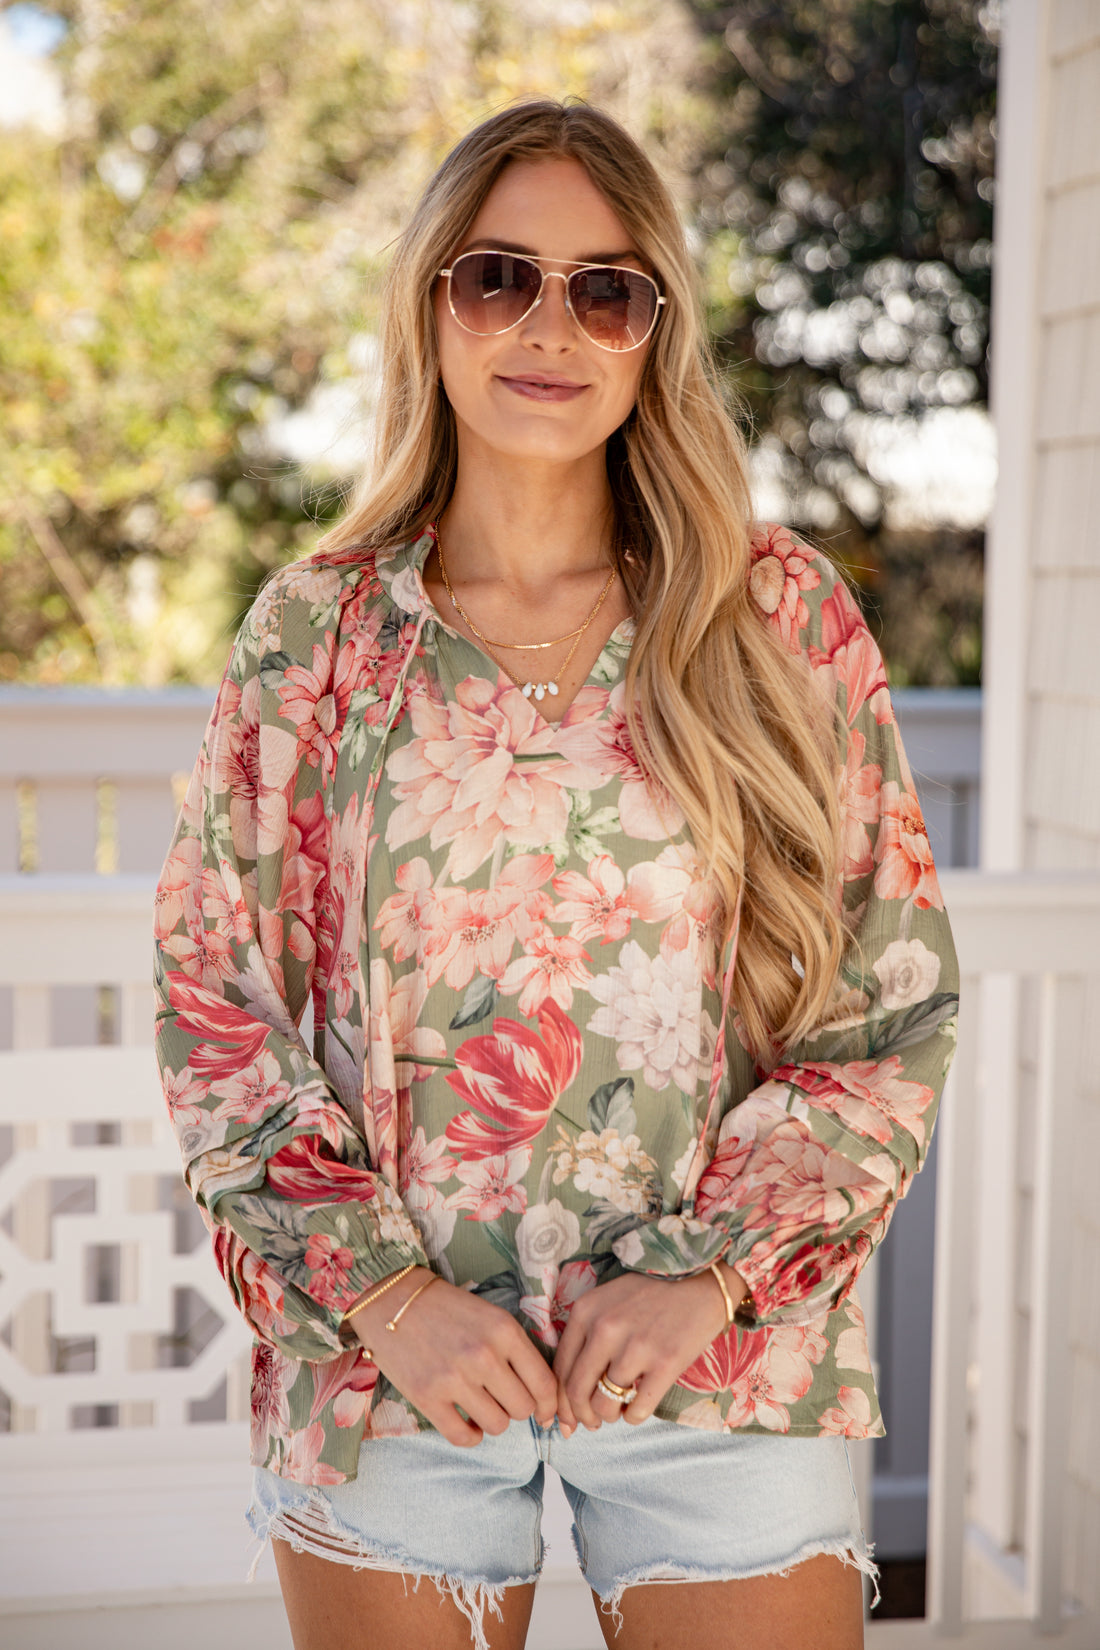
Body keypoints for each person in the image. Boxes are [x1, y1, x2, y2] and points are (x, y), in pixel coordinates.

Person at [154, 99, 958, 1650]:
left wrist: (711, 1277)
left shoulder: (776, 619)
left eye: (606, 289)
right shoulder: (315, 640)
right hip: (392, 1361)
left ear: (654, 329)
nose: (551, 325)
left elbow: (889, 1012)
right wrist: (388, 1297)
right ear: (431, 303)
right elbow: (218, 1004)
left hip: (724, 1357)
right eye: (498, 276)